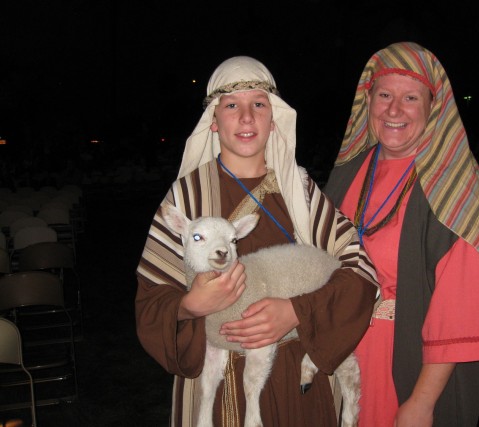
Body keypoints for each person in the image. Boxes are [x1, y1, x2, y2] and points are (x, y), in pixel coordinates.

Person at [135, 56, 378, 426]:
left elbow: (359, 272)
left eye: (258, 105)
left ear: (273, 117)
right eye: (232, 105)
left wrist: (298, 311)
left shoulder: (301, 193)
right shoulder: (185, 198)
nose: (246, 117)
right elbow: (151, 305)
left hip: (296, 384)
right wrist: (189, 306)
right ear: (214, 122)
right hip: (214, 389)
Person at [324, 42, 479, 426]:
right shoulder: (347, 174)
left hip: (406, 364)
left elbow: (456, 309)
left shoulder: (455, 187)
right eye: (384, 95)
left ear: (433, 107)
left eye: (410, 97)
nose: (394, 110)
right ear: (369, 102)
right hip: (338, 356)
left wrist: (422, 402)